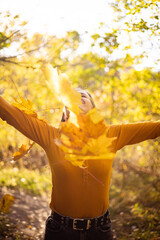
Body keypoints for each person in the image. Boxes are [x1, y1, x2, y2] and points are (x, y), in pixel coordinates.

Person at [0, 88, 160, 240]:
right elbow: (8, 113)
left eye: (83, 95)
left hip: (101, 231)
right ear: (65, 110)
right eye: (72, 95)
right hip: (60, 231)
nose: (78, 96)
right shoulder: (51, 136)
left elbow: (154, 128)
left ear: (93, 108)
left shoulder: (111, 135)